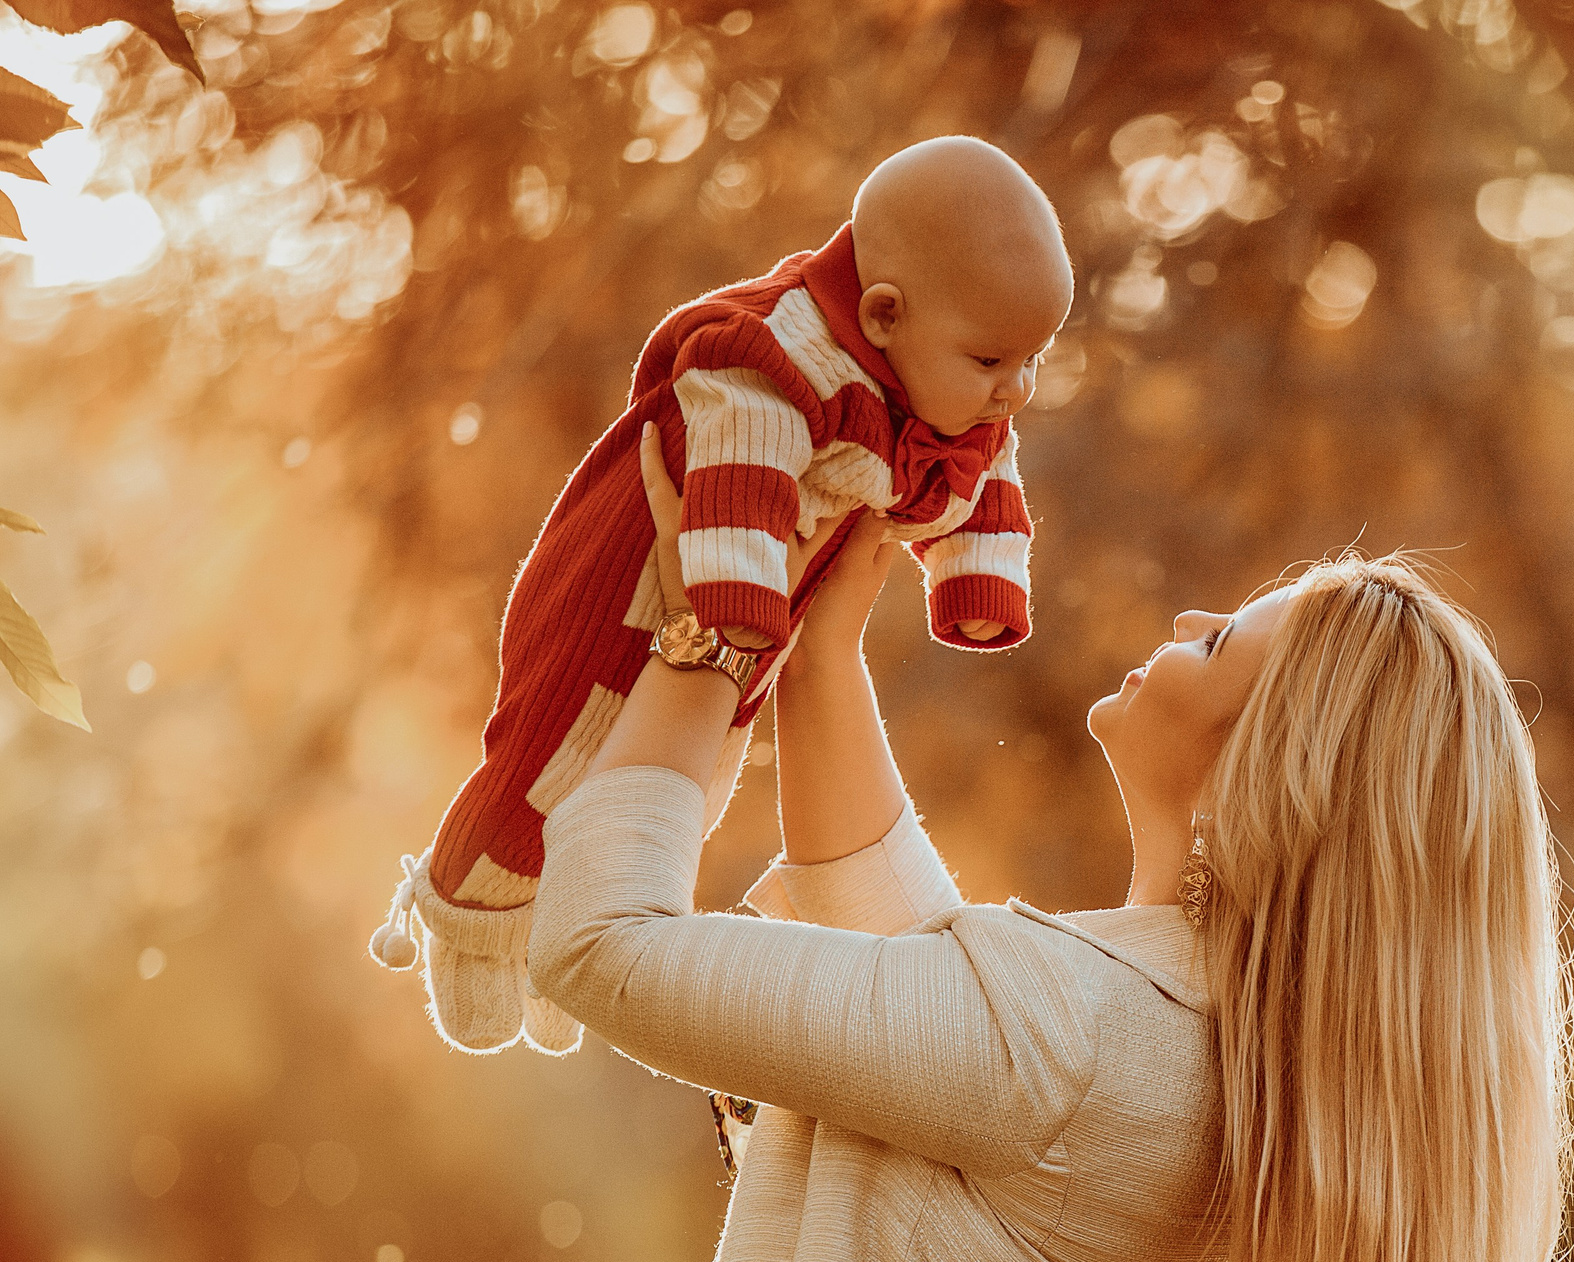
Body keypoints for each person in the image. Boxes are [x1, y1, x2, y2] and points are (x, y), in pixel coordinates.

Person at [525, 426, 1574, 1262]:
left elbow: (599, 945)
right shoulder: (1193, 1051)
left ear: (1269, 766)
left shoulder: (1076, 1032)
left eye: (1217, 644)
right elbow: (922, 959)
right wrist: (820, 638)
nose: (1187, 614)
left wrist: (717, 617)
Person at [373, 136, 1070, 1057]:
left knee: (690, 787)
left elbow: (987, 470)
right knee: (558, 745)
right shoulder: (780, 349)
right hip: (632, 580)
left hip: (753, 620)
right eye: (992, 361)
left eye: (1034, 361)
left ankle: (561, 927)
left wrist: (976, 577)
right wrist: (737, 594)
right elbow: (742, 431)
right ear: (885, 313)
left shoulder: (954, 389)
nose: (1014, 390)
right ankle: (469, 903)